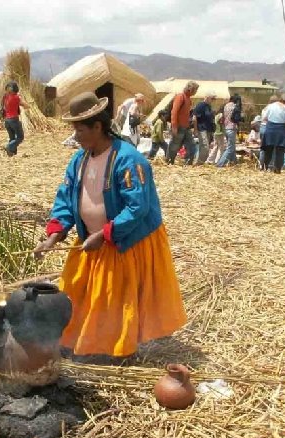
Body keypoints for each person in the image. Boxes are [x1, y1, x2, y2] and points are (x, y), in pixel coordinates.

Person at [34, 92, 186, 361]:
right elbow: (66, 199)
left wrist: (105, 235)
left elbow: (136, 208)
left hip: (125, 240)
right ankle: (82, 342)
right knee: (76, 291)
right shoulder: (78, 161)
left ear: (97, 126)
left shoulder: (129, 160)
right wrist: (54, 235)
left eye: (80, 129)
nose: (76, 135)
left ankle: (115, 351)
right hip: (90, 240)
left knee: (114, 301)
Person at [166, 81, 199, 165]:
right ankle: (169, 161)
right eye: (195, 90)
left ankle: (188, 161)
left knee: (191, 145)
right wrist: (174, 126)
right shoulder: (180, 97)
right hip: (179, 126)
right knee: (174, 145)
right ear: (190, 89)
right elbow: (174, 112)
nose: (196, 92)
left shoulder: (188, 99)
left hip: (186, 127)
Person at [260, 93, 285, 173]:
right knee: (280, 150)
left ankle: (265, 166)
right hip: (281, 131)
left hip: (270, 130)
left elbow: (264, 118)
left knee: (268, 149)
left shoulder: (271, 106)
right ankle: (277, 169)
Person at [2, 81, 29, 156]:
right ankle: (9, 146)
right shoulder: (16, 97)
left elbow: (4, 107)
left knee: (12, 137)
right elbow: (26, 106)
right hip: (14, 119)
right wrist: (21, 98)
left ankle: (12, 153)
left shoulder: (5, 97)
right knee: (20, 137)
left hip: (6, 120)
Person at [217, 94, 241, 167]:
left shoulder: (226, 106)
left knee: (232, 146)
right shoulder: (235, 106)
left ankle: (234, 162)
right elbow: (236, 119)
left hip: (226, 128)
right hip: (232, 128)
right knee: (230, 148)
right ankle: (220, 164)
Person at [194, 92, 216, 164]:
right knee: (204, 147)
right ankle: (199, 163)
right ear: (207, 97)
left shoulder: (208, 106)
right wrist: (195, 129)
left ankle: (199, 162)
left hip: (208, 129)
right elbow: (195, 118)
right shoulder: (200, 105)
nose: (213, 100)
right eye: (212, 98)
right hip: (202, 129)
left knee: (204, 147)